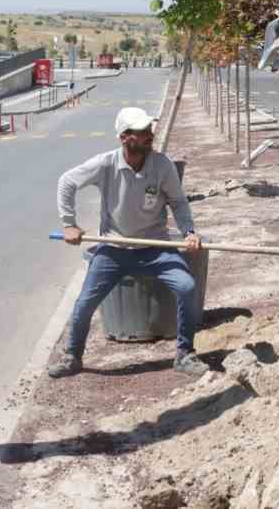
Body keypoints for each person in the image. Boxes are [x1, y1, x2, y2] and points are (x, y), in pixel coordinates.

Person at [49, 106, 207, 378]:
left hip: (157, 248)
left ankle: (185, 353)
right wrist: (68, 223)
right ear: (124, 137)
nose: (149, 135)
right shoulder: (106, 164)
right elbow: (66, 182)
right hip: (114, 249)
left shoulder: (162, 166)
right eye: (142, 132)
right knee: (85, 301)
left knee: (187, 286)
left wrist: (189, 231)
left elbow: (178, 202)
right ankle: (72, 356)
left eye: (149, 130)